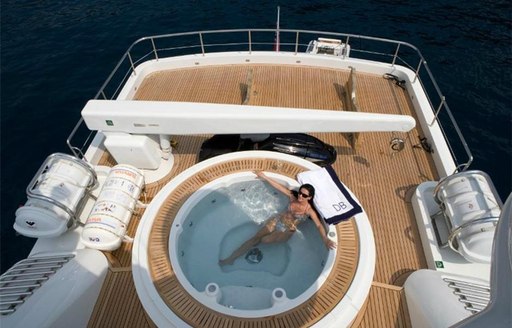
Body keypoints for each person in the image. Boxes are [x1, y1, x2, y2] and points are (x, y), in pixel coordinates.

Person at [219, 170, 336, 266]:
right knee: (255, 238)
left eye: (304, 195)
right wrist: (264, 177)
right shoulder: (293, 197)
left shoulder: (309, 211)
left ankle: (255, 245)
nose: (300, 196)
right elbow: (279, 187)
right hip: (278, 220)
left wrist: (325, 239)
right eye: (300, 192)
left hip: (287, 230)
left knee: (264, 240)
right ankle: (231, 259)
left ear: (309, 197)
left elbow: (319, 225)